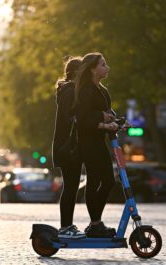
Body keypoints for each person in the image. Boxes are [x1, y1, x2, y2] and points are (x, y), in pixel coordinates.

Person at [73, 52, 118, 238]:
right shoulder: (86, 90)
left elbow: (108, 112)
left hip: (100, 142)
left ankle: (95, 223)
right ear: (92, 69)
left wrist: (118, 122)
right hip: (88, 143)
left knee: (108, 181)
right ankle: (95, 224)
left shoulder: (103, 91)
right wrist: (103, 121)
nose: (107, 68)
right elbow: (82, 119)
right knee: (94, 181)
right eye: (103, 65)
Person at [52, 56, 85, 239]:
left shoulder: (68, 90)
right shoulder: (70, 92)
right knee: (70, 188)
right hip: (68, 147)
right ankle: (65, 227)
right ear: (77, 73)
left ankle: (67, 225)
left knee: (71, 187)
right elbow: (69, 118)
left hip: (67, 147)